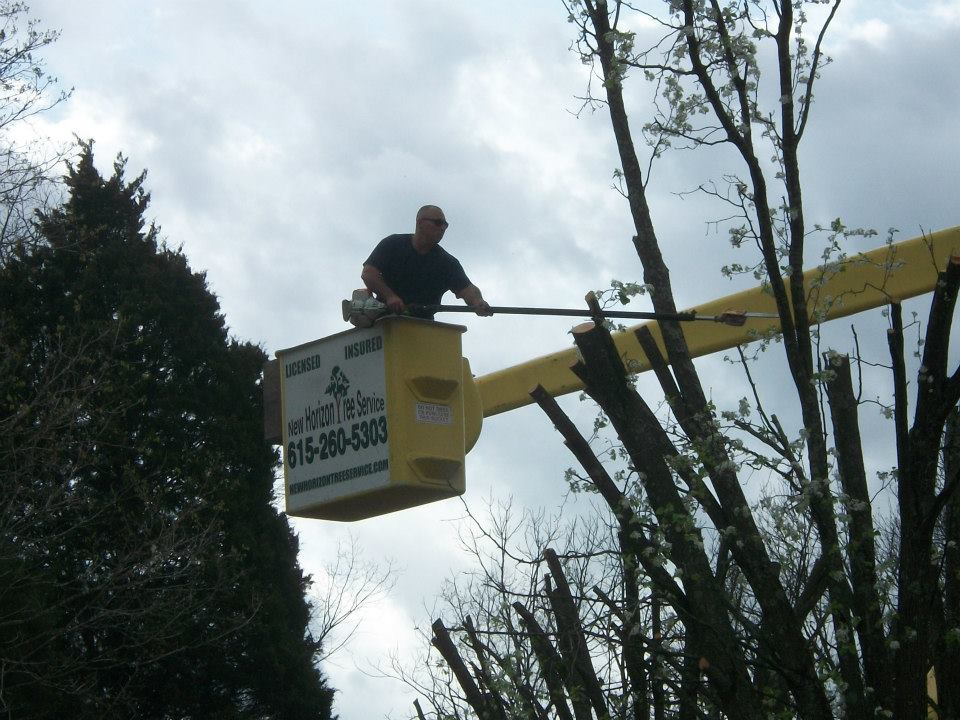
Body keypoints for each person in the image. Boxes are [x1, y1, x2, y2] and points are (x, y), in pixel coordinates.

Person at [361, 205, 492, 320]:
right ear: (419, 223)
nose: (442, 228)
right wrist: (390, 297)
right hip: (385, 322)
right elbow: (368, 273)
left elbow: (467, 289)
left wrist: (478, 301)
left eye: (445, 225)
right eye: (438, 223)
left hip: (424, 326)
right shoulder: (393, 245)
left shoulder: (447, 263)